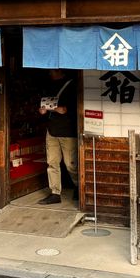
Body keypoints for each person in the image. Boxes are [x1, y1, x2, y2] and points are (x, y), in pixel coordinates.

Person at [37, 69, 79, 205]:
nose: (49, 72)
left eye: (52, 70)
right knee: (52, 162)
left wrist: (56, 109)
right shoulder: (48, 85)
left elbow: (66, 109)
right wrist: (43, 110)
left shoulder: (73, 85)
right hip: (52, 129)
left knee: (71, 164)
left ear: (60, 70)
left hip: (68, 131)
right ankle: (55, 193)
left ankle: (79, 187)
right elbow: (45, 106)